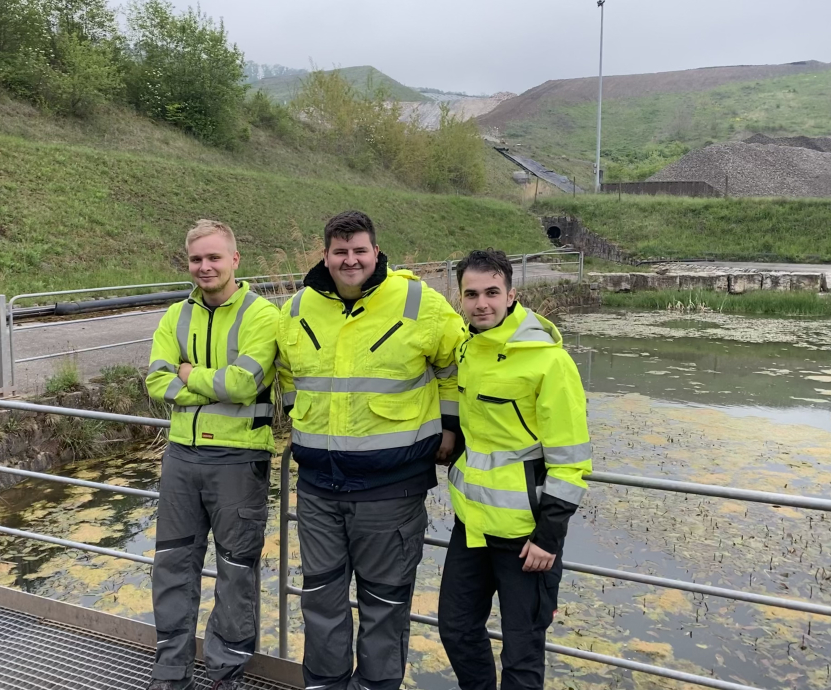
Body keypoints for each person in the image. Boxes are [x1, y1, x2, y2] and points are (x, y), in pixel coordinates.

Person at [276, 210, 465, 690]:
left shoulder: (419, 301)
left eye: (360, 250)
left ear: (376, 252)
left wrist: (449, 427)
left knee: (384, 605)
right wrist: (303, 418)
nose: (350, 259)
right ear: (324, 255)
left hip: (391, 492)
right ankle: (325, 684)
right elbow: (290, 375)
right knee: (319, 599)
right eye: (340, 251)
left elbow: (454, 367)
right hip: (319, 488)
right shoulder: (297, 308)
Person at [438, 249, 592, 690]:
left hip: (527, 538)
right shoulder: (467, 349)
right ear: (459, 298)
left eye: (491, 292)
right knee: (456, 629)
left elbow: (572, 458)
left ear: (511, 295)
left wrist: (549, 536)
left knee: (522, 654)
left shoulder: (549, 361)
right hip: (472, 527)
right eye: (471, 294)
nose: (481, 303)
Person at [145, 219, 280, 690]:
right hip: (181, 457)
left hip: (240, 461)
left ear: (235, 260)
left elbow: (244, 384)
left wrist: (189, 374)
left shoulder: (263, 315)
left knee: (236, 574)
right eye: (197, 259)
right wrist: (204, 380)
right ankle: (170, 672)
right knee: (171, 566)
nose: (205, 266)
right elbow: (157, 382)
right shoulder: (174, 316)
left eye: (214, 257)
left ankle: (226, 675)